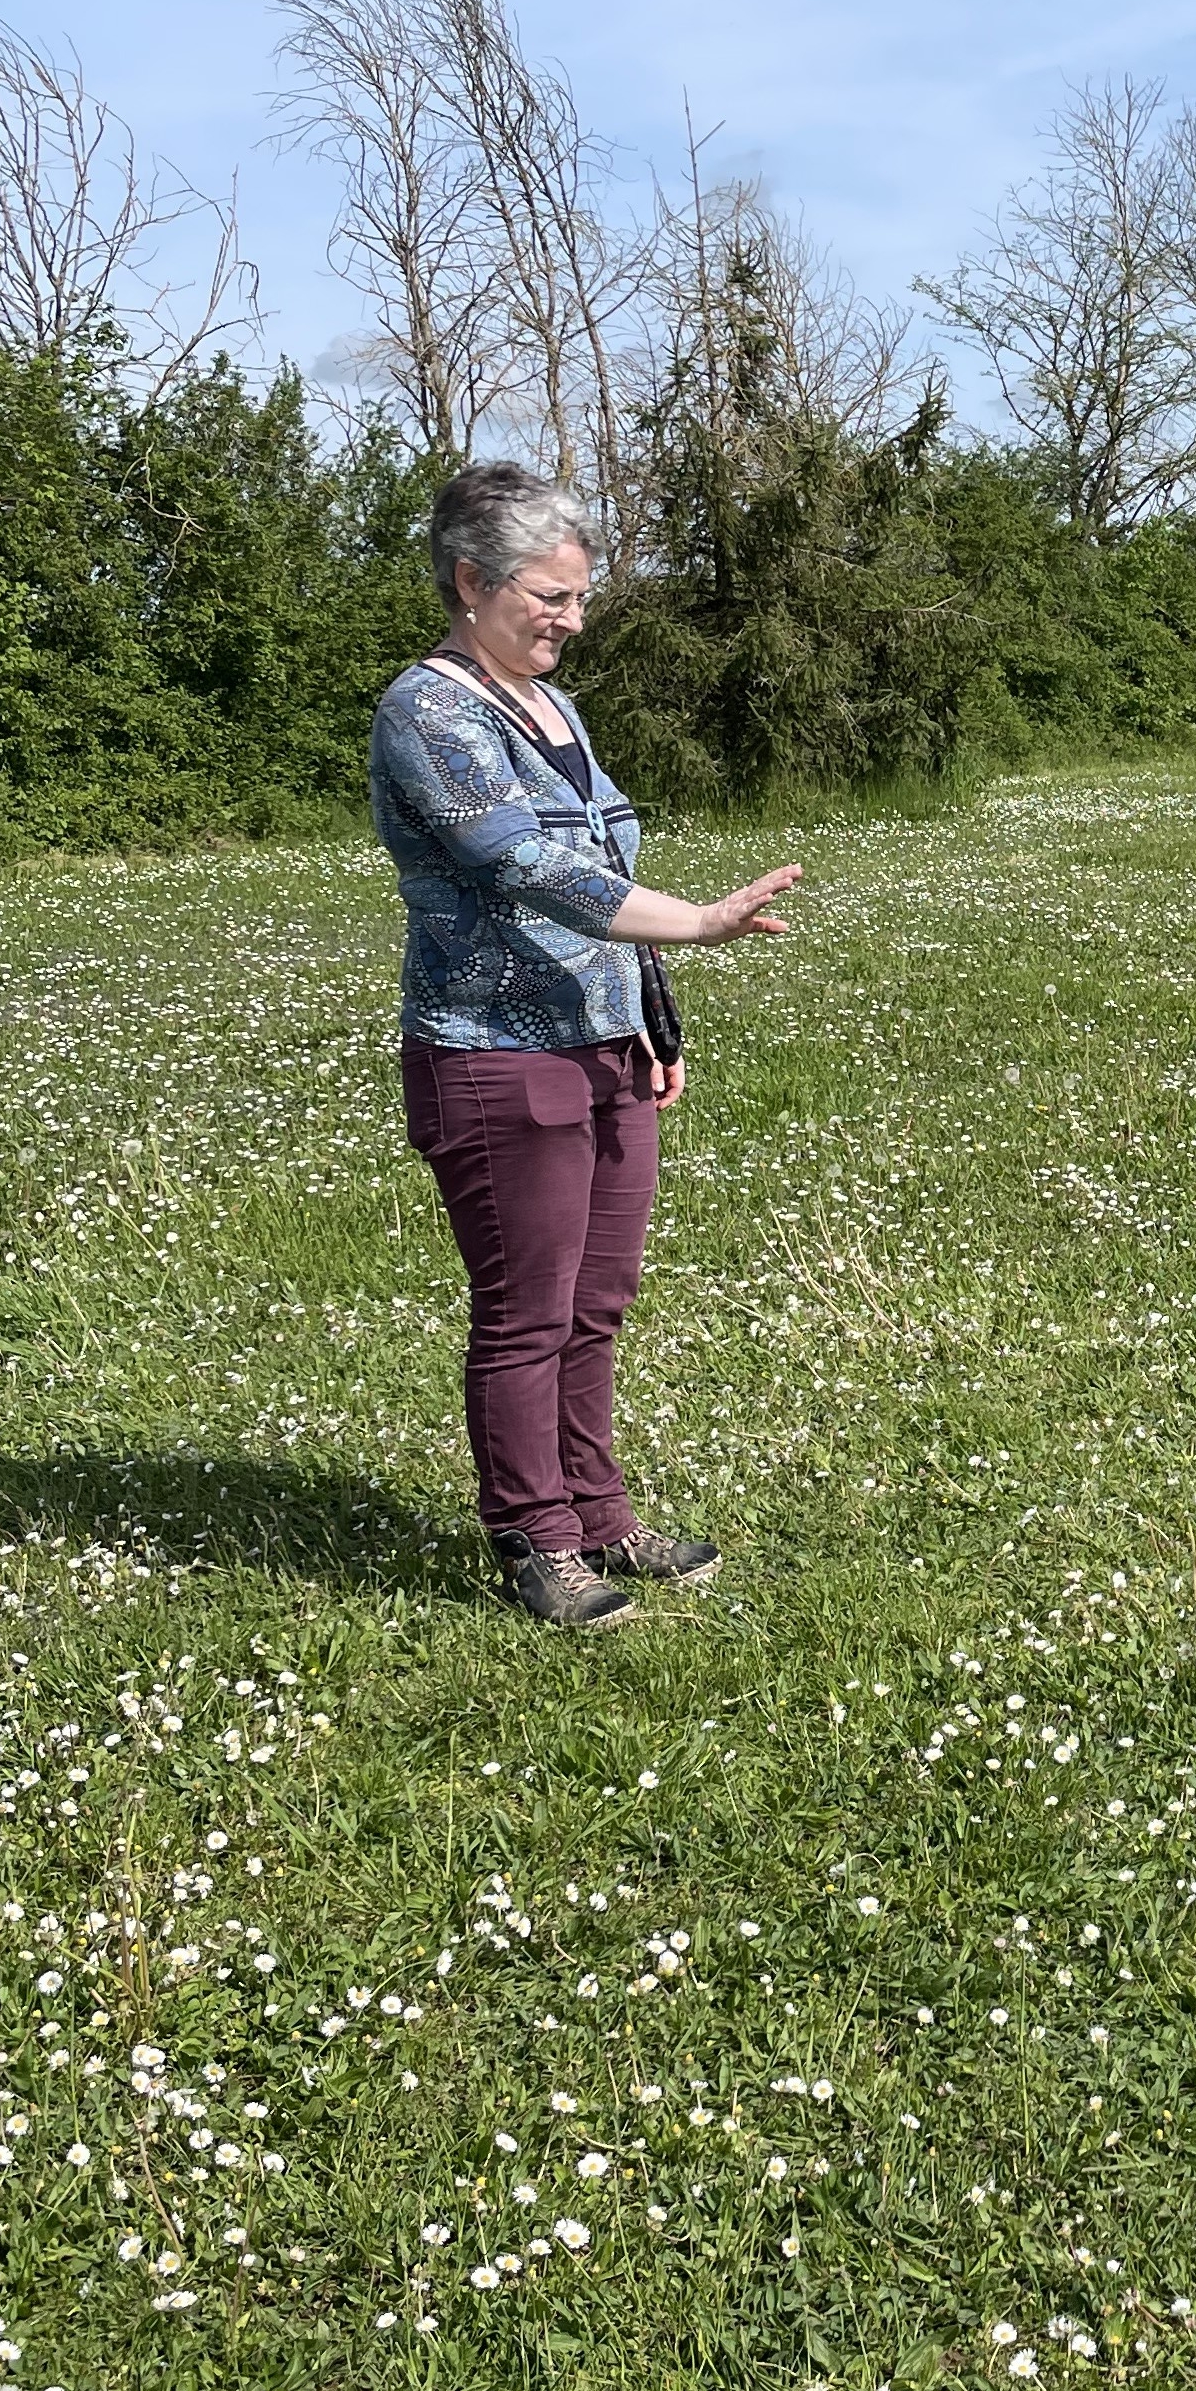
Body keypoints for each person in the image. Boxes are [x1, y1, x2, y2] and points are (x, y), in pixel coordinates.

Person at [371, 460, 800, 1627]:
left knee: (597, 1302)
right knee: (529, 1309)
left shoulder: (554, 707)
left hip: (605, 1048)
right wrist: (703, 922)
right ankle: (537, 1541)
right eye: (549, 595)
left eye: (578, 595)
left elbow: (602, 871)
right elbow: (532, 868)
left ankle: (601, 1515)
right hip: (495, 1053)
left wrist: (654, 1022)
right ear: (471, 581)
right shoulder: (429, 712)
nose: (571, 617)